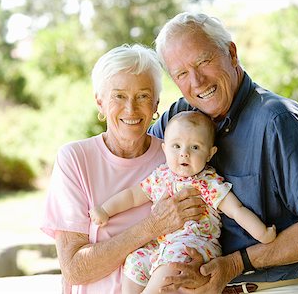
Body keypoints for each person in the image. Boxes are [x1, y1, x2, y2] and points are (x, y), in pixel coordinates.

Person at [147, 12, 298, 293]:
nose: (197, 81)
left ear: (231, 52)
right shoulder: (180, 118)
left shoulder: (278, 120)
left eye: (203, 61)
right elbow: (128, 163)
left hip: (288, 289)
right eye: (181, 73)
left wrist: (236, 264)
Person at [40, 44, 205, 294]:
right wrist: (153, 226)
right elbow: (74, 269)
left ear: (156, 104)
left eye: (143, 96)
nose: (131, 109)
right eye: (119, 96)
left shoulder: (177, 159)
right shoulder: (75, 159)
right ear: (100, 102)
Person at [90, 111, 276, 294]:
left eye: (194, 147)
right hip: (163, 246)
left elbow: (236, 210)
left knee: (170, 268)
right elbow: (132, 196)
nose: (184, 154)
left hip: (194, 245)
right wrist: (105, 210)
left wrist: (262, 233)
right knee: (135, 260)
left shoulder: (208, 182)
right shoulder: (161, 176)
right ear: (164, 149)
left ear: (210, 154)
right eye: (176, 146)